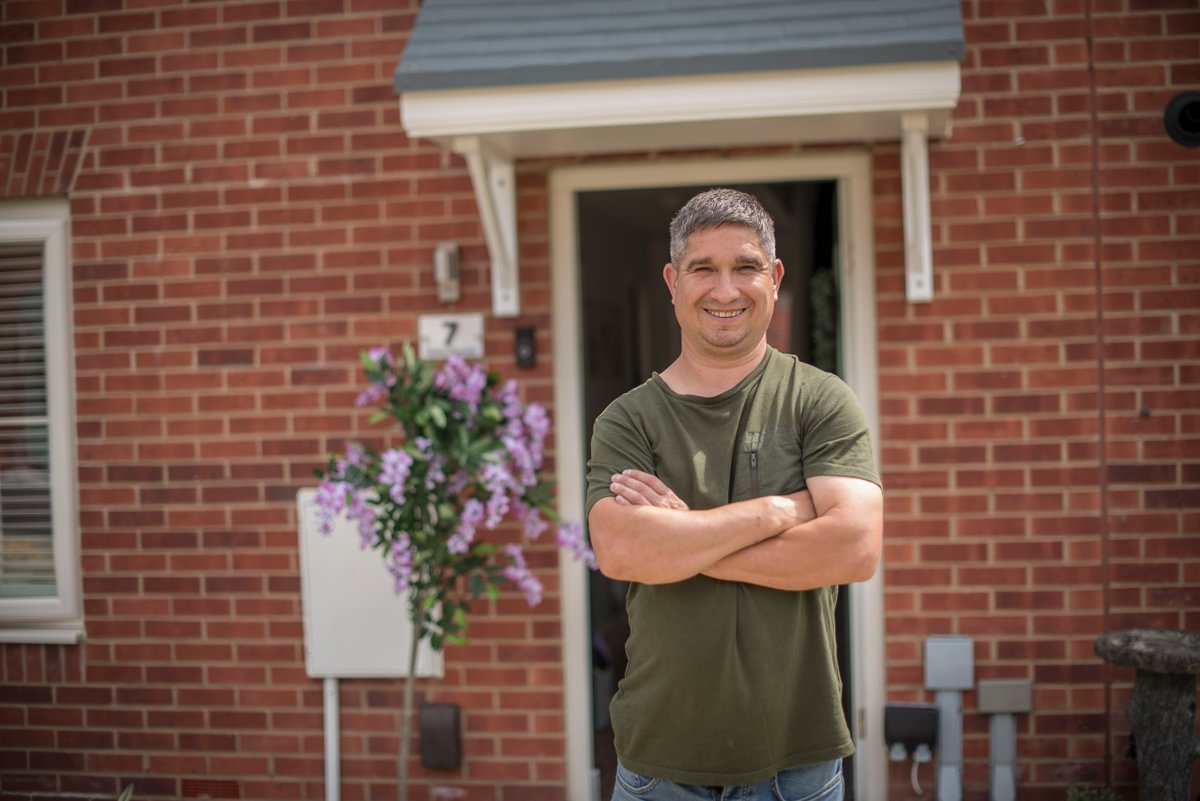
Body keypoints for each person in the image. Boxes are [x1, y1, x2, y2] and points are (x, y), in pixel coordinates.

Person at [585, 188, 884, 800]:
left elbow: (853, 548)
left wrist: (682, 539)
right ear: (673, 282)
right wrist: (780, 511)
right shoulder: (628, 420)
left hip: (795, 764)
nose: (725, 290)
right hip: (657, 766)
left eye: (744, 267)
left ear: (773, 278)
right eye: (703, 269)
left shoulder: (818, 400)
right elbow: (619, 552)